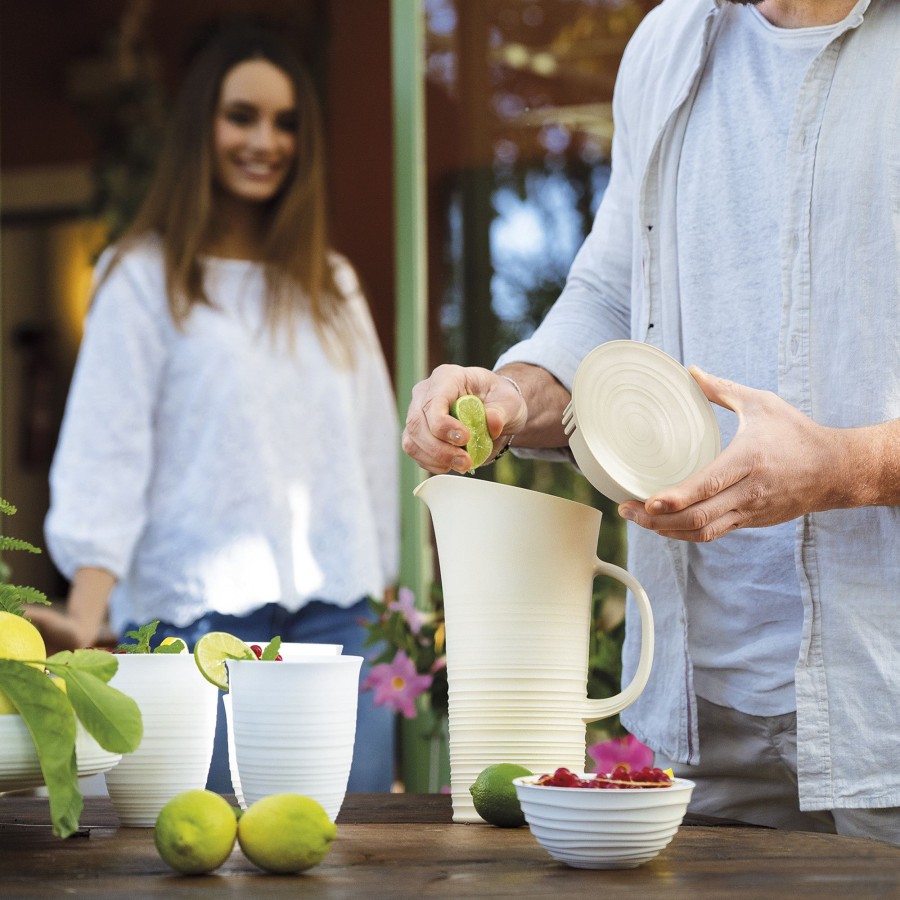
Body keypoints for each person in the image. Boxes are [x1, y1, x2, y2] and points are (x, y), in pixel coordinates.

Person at [402, 0, 900, 842]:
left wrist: (850, 467)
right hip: (707, 708)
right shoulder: (669, 44)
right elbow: (611, 294)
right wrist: (516, 394)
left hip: (883, 701)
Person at [30, 20, 400, 793]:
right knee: (208, 858)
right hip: (192, 624)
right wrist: (85, 612)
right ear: (203, 125)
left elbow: (372, 455)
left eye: (286, 123)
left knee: (358, 857)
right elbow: (108, 454)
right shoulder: (140, 277)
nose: (265, 140)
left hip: (339, 625)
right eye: (243, 115)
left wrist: (393, 606)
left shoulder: (330, 285)